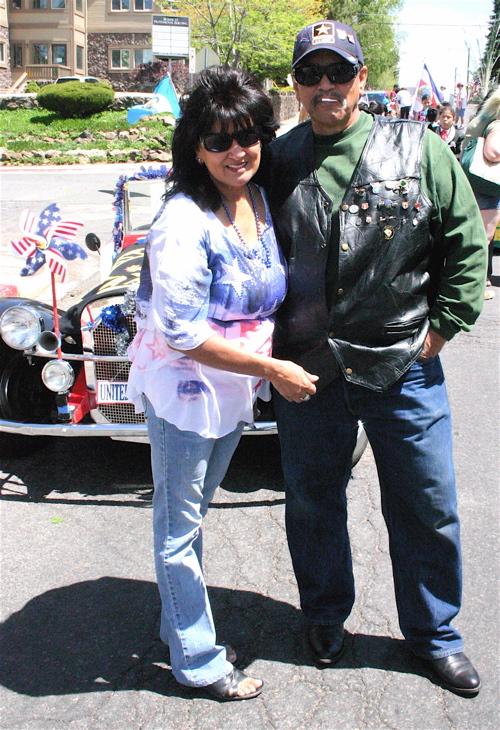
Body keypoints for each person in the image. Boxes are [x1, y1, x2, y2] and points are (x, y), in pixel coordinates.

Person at [261, 19, 487, 697]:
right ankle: (326, 615)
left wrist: (442, 329)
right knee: (311, 501)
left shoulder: (419, 147)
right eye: (311, 74)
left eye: (339, 72)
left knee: (425, 504)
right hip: (308, 370)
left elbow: (465, 239)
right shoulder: (275, 159)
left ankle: (434, 636)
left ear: (362, 78)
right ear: (295, 85)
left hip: (403, 365)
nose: (325, 86)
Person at [127, 67, 317, 701]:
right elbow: (181, 331)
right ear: (195, 149)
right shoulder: (183, 220)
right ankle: (199, 661)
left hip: (230, 386)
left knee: (193, 516)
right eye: (217, 140)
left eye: (247, 135)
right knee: (178, 528)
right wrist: (273, 370)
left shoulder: (258, 198)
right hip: (186, 389)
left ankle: (176, 628)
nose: (236, 151)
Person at [462, 87, 500, 299]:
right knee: (482, 239)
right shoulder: (497, 125)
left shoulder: (488, 122)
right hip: (489, 188)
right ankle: (473, 287)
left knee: (477, 238)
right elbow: (493, 151)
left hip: (480, 186)